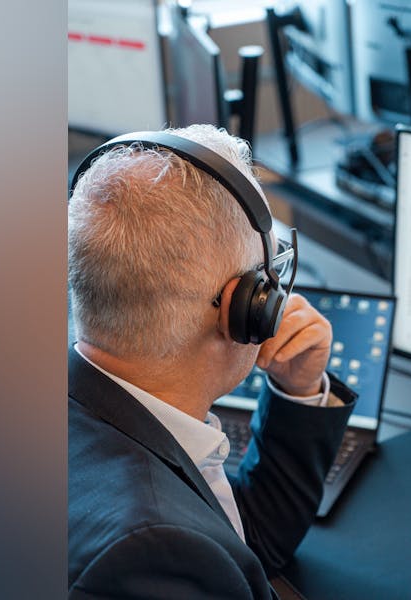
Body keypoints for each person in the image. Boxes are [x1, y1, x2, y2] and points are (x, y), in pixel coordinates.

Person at [67, 124, 356, 599]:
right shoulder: (152, 553)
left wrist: (298, 391)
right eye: (269, 274)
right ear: (244, 307)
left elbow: (244, 543)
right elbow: (194, 546)